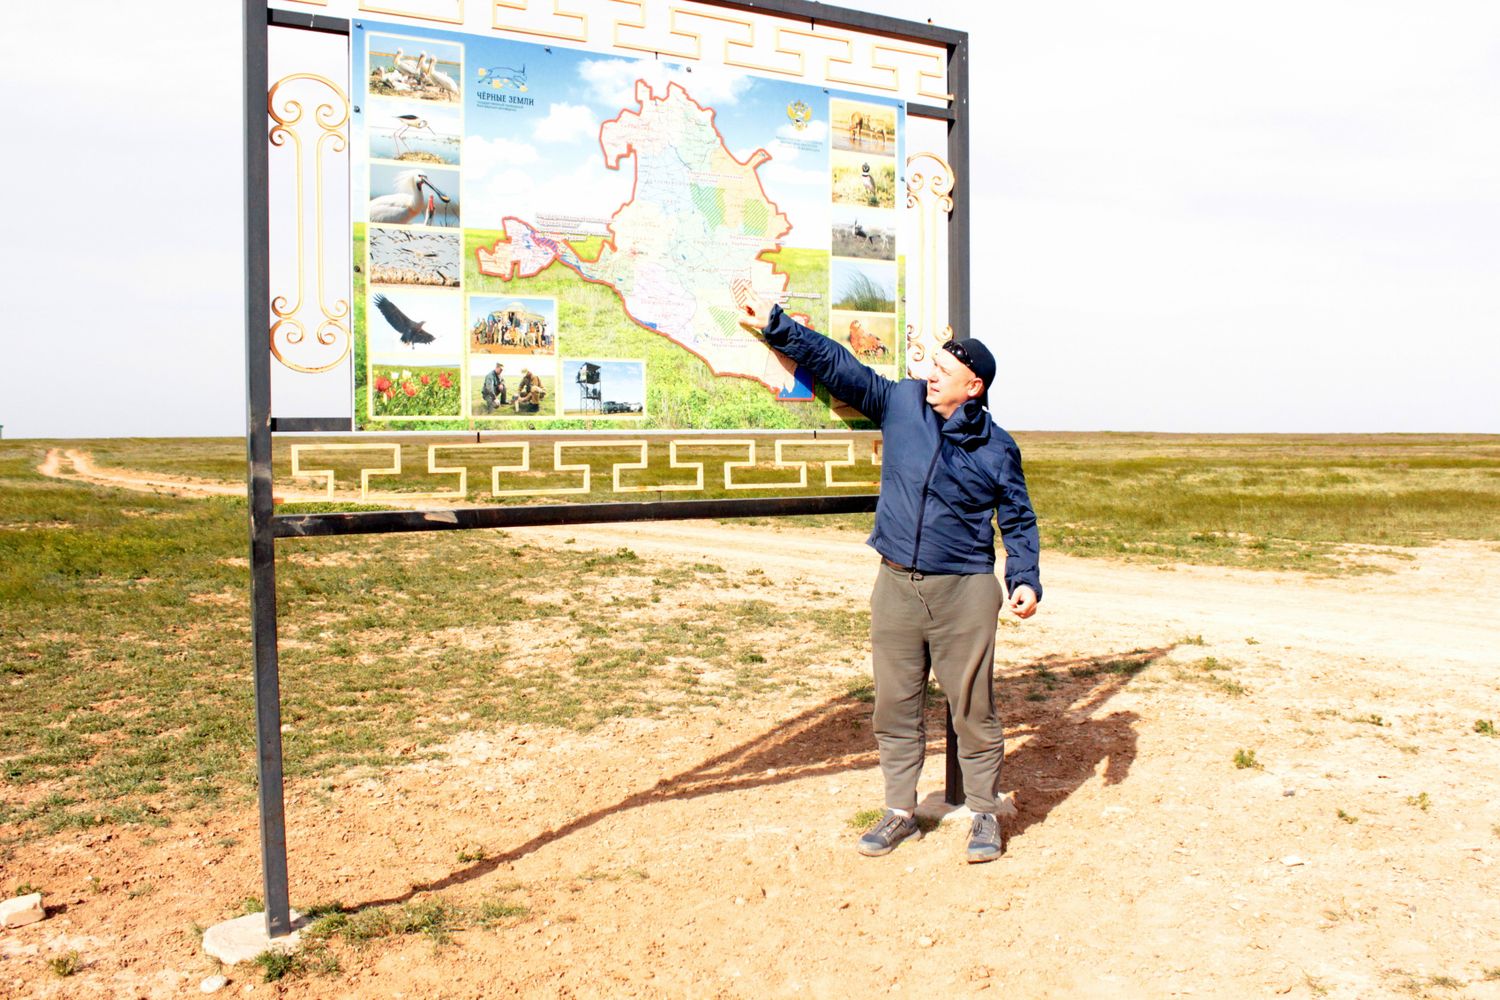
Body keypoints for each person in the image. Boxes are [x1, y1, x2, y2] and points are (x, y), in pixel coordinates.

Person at [736, 283, 1041, 864]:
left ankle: (983, 812)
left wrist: (1023, 578)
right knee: (894, 707)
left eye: (944, 370)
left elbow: (1018, 518)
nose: (931, 374)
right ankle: (900, 810)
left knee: (972, 709)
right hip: (896, 585)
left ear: (973, 387)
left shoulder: (997, 448)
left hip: (964, 591)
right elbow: (839, 366)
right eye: (933, 364)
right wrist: (776, 324)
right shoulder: (903, 403)